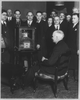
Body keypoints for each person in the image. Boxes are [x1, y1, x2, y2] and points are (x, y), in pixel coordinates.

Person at [67, 13, 79, 80]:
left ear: (78, 19)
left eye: (74, 18)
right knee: (71, 61)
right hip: (70, 47)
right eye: (72, 18)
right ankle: (72, 75)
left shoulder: (78, 26)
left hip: (75, 47)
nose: (72, 19)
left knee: (75, 62)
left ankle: (76, 77)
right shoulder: (71, 25)